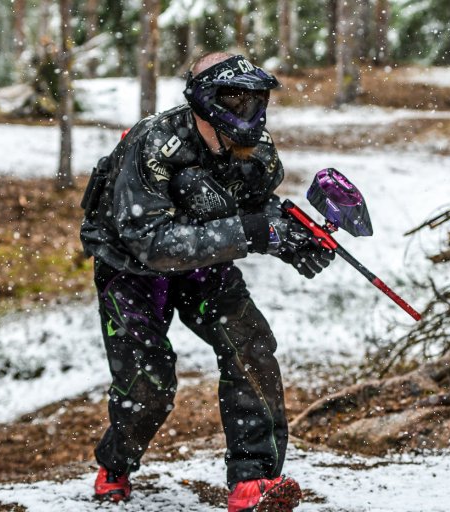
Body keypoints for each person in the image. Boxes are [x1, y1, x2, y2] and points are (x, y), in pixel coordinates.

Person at [80, 52, 335, 511]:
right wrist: (252, 232)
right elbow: (150, 242)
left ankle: (253, 482)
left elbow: (258, 206)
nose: (249, 112)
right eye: (235, 100)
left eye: (255, 100)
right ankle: (115, 463)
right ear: (204, 101)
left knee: (250, 345)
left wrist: (293, 236)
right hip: (131, 271)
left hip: (204, 268)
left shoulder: (257, 151)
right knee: (148, 385)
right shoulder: (154, 143)